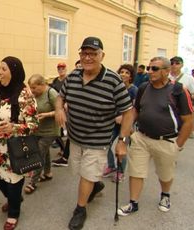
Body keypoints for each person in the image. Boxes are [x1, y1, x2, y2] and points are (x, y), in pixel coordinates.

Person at [55, 37, 134, 230]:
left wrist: (122, 141)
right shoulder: (73, 76)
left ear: (102, 56)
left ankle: (80, 209)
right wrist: (59, 109)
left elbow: (128, 112)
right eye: (84, 53)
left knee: (87, 175)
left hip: (98, 141)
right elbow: (60, 96)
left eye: (93, 53)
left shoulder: (113, 81)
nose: (88, 57)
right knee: (80, 172)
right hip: (75, 137)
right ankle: (96, 185)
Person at [117, 56, 194, 217]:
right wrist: (126, 133)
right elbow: (135, 111)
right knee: (136, 172)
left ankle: (165, 195)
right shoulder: (144, 88)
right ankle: (133, 203)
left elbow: (188, 121)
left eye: (155, 69)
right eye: (149, 68)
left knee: (165, 174)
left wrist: (178, 145)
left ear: (167, 71)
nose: (150, 71)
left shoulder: (178, 90)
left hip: (166, 141)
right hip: (141, 138)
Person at [0, 56, 38, 230]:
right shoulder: (1, 91)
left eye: (3, 69)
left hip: (15, 147)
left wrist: (13, 128)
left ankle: (14, 213)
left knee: (14, 180)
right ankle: (13, 198)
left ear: (13, 71)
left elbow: (33, 124)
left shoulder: (25, 94)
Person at [24, 74, 59, 194]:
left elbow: (61, 110)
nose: (32, 90)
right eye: (30, 87)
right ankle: (48, 173)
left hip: (50, 130)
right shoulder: (34, 95)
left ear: (42, 85)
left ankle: (33, 182)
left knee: (39, 153)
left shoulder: (52, 93)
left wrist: (46, 115)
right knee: (45, 151)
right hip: (37, 129)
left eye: (34, 87)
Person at [103, 64, 138, 183]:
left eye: (127, 73)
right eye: (122, 72)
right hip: (113, 122)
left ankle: (121, 172)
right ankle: (111, 166)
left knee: (121, 148)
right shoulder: (116, 87)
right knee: (106, 144)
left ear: (131, 76)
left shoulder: (133, 90)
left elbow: (134, 108)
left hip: (125, 124)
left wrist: (126, 120)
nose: (123, 74)